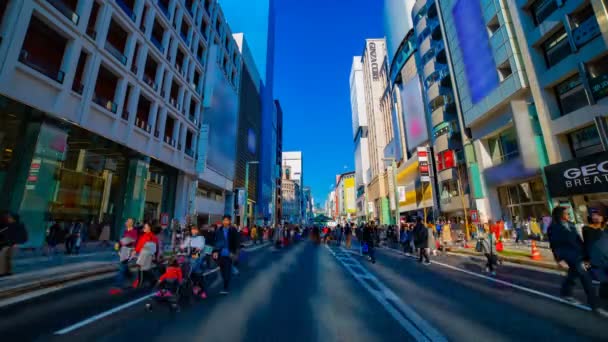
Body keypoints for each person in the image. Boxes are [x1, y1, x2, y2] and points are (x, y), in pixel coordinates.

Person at [548, 207, 607, 317]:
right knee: (586, 279)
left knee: (573, 274)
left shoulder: (570, 224)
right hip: (569, 256)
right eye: (566, 213)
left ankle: (565, 292)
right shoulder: (553, 227)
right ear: (560, 214)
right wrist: (559, 259)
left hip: (580, 254)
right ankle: (595, 306)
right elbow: (553, 245)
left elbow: (578, 239)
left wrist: (587, 253)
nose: (568, 215)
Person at [212, 215, 239, 295]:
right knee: (222, 271)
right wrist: (215, 251)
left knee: (226, 271)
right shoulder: (219, 230)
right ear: (222, 221)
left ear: (230, 221)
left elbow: (237, 241)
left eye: (227, 220)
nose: (226, 222)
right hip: (220, 254)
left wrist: (236, 253)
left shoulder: (233, 230)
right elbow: (216, 242)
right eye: (224, 220)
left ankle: (225, 287)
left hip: (229, 254)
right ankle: (231, 269)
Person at [181, 225, 207, 299]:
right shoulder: (189, 237)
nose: (193, 231)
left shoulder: (201, 238)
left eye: (195, 229)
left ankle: (201, 290)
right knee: (186, 268)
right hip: (190, 255)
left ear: (198, 230)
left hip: (198, 255)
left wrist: (195, 251)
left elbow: (200, 247)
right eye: (192, 230)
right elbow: (183, 246)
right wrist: (180, 248)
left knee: (195, 269)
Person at [0, 212, 28, 277]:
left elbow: (8, 235)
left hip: (9, 244)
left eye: (9, 217)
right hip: (9, 244)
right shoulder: (14, 225)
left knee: (3, 258)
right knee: (8, 258)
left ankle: (3, 272)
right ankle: (8, 272)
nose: (8, 218)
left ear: (13, 218)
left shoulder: (13, 226)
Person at [133, 223, 160, 288]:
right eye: (144, 227)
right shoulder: (152, 236)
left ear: (149, 228)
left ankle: (140, 284)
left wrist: (135, 251)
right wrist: (156, 256)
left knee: (141, 269)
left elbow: (141, 245)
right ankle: (153, 281)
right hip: (148, 255)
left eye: (145, 227)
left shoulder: (147, 236)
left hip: (145, 255)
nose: (144, 228)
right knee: (145, 269)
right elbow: (156, 248)